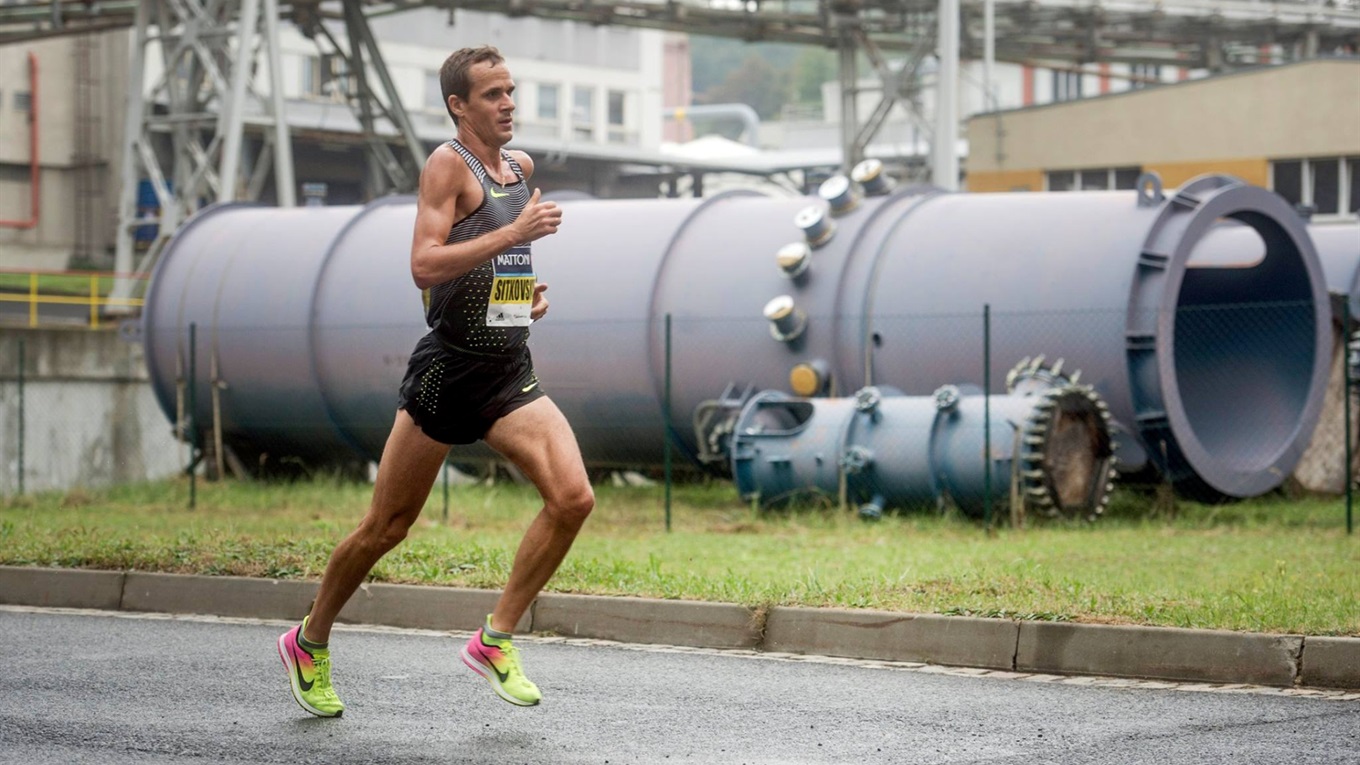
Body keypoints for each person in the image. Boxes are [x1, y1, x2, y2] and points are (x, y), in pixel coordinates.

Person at [277, 45, 594, 716]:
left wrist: (519, 298)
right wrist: (517, 226)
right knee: (385, 527)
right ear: (459, 105)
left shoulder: (520, 168)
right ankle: (309, 639)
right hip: (447, 374)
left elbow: (495, 259)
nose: (508, 103)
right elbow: (425, 264)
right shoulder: (447, 166)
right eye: (492, 95)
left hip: (507, 370)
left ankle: (494, 636)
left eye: (511, 90)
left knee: (573, 499)